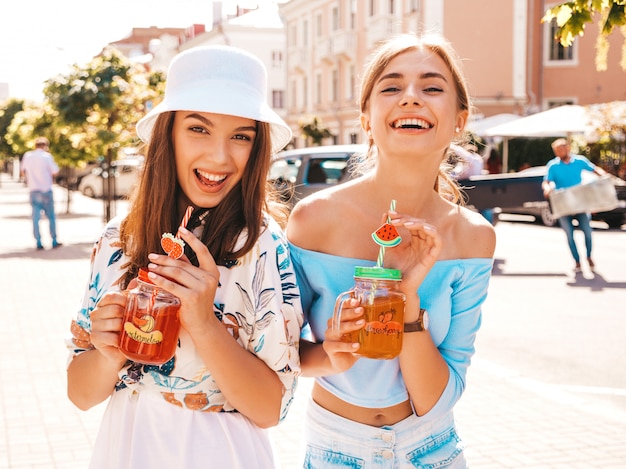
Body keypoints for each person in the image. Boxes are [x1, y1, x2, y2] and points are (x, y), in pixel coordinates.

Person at [66, 45, 304, 469]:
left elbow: (270, 410)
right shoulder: (118, 238)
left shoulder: (263, 245)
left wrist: (203, 323)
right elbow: (80, 395)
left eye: (241, 136)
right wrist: (108, 352)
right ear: (168, 134)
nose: (219, 156)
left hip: (221, 454)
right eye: (198, 129)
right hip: (125, 448)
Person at [287, 33, 496, 468]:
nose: (411, 98)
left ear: (460, 120)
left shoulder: (474, 236)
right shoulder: (313, 220)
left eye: (432, 87)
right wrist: (330, 351)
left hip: (432, 449)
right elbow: (282, 355)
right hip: (334, 447)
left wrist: (405, 302)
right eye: (392, 86)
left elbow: (439, 398)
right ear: (366, 118)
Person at [542, 138, 606, 272]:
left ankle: (589, 256)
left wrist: (603, 175)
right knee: (569, 235)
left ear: (568, 148)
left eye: (561, 149)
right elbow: (546, 181)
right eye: (557, 151)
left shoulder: (580, 161)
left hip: (580, 202)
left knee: (587, 232)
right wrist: (547, 189)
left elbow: (595, 169)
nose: (559, 153)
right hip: (563, 204)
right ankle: (577, 262)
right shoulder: (553, 165)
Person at [20, 136, 61, 250]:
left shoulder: (27, 156)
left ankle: (38, 242)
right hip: (46, 190)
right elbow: (55, 171)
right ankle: (54, 240)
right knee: (51, 217)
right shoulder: (47, 156)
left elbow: (22, 172)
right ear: (45, 146)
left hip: (33, 190)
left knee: (36, 218)